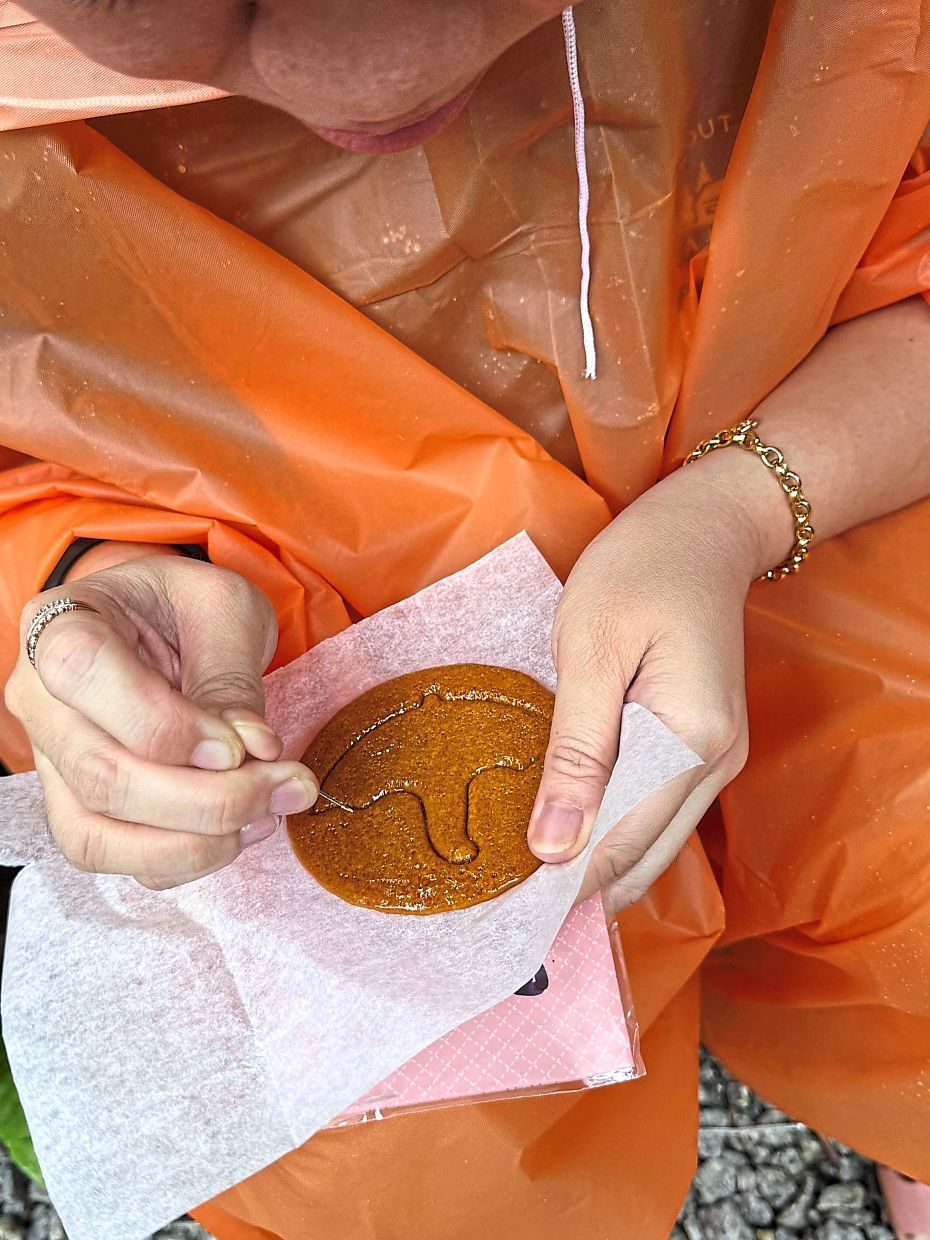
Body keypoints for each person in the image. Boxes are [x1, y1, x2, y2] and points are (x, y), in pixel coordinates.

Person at [1, 1, 930, 1237]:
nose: (364, 81)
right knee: (393, 1151)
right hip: (285, 627)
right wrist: (84, 585)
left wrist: (743, 508)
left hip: (824, 461)